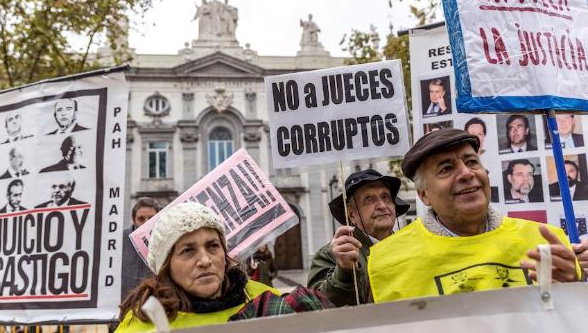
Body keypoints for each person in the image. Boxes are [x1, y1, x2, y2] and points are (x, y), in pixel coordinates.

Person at [367, 129, 581, 304]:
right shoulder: (386, 262)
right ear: (424, 195)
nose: (467, 174)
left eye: (471, 162)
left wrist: (575, 289)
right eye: (446, 168)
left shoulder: (545, 241)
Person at [116, 202, 331, 332]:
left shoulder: (264, 301)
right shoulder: (141, 323)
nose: (205, 260)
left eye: (212, 246)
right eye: (187, 250)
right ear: (165, 265)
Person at [307, 169, 409, 306]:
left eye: (386, 197)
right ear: (352, 214)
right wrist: (344, 271)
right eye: (369, 199)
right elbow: (317, 305)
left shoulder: (411, 246)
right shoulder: (331, 255)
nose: (382, 206)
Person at [121, 198, 160, 301]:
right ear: (134, 220)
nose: (146, 223)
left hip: (153, 304)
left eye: (151, 218)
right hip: (124, 303)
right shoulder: (118, 239)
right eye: (141, 219)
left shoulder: (165, 240)